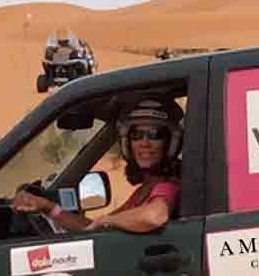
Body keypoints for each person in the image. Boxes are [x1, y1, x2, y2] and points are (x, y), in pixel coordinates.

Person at [12, 96, 182, 234]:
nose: (144, 143)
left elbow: (154, 216)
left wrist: (108, 220)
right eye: (137, 135)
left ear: (169, 142)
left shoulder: (168, 184)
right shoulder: (146, 189)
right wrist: (49, 207)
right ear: (127, 142)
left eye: (154, 134)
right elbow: (92, 228)